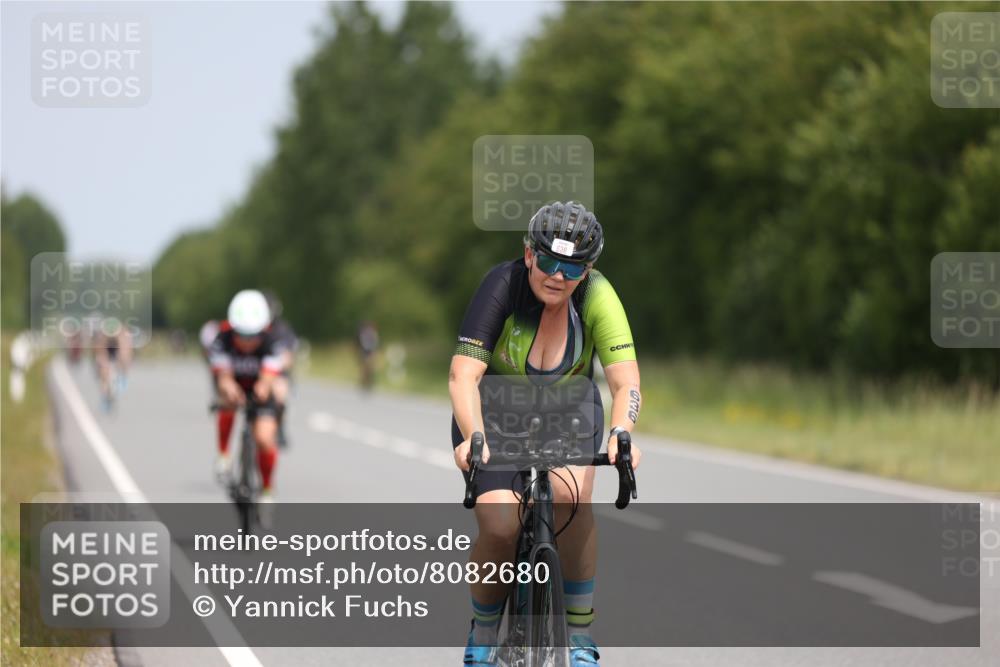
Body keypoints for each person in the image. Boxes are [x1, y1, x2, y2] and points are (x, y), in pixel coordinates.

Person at [449, 201, 642, 667]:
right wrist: (473, 437)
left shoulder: (597, 294)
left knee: (571, 500)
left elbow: (625, 381)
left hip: (568, 411)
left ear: (588, 269)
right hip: (495, 412)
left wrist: (622, 431)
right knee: (499, 524)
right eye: (548, 261)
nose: (557, 275)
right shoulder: (503, 284)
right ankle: (484, 630)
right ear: (529, 253)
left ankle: (577, 637)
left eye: (571, 267)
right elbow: (463, 376)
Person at [208, 290, 288, 515]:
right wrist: (229, 387)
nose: (246, 342)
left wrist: (263, 388)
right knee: (226, 401)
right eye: (241, 335)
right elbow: (223, 377)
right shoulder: (221, 339)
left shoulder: (272, 341)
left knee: (264, 437)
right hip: (234, 385)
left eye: (252, 336)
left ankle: (267, 488)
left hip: (261, 387)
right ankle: (223, 455)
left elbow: (268, 377)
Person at [262, 290, 298, 447]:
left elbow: (288, 357)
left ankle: (280, 427)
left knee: (280, 394)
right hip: (253, 373)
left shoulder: (282, 329)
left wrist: (274, 367)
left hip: (276, 374)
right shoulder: (249, 328)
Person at [93, 316, 133, 411]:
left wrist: (124, 364)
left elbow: (125, 351)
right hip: (106, 351)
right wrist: (103, 364)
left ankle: (122, 378)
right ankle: (104, 396)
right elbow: (100, 352)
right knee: (103, 370)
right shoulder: (102, 336)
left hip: (117, 351)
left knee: (124, 360)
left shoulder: (122, 334)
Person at [356, 320, 380, 391]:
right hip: (366, 351)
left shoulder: (373, 333)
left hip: (370, 351)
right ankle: (364, 382)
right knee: (365, 368)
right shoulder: (366, 333)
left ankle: (368, 383)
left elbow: (375, 343)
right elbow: (364, 343)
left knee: (370, 368)